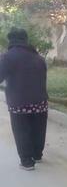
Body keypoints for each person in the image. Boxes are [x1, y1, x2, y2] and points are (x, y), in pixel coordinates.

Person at [0, 27, 48, 170]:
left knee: (22, 130)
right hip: (40, 101)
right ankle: (37, 155)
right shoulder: (39, 58)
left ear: (11, 40)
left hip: (19, 102)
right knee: (38, 128)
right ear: (26, 40)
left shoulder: (7, 57)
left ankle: (27, 161)